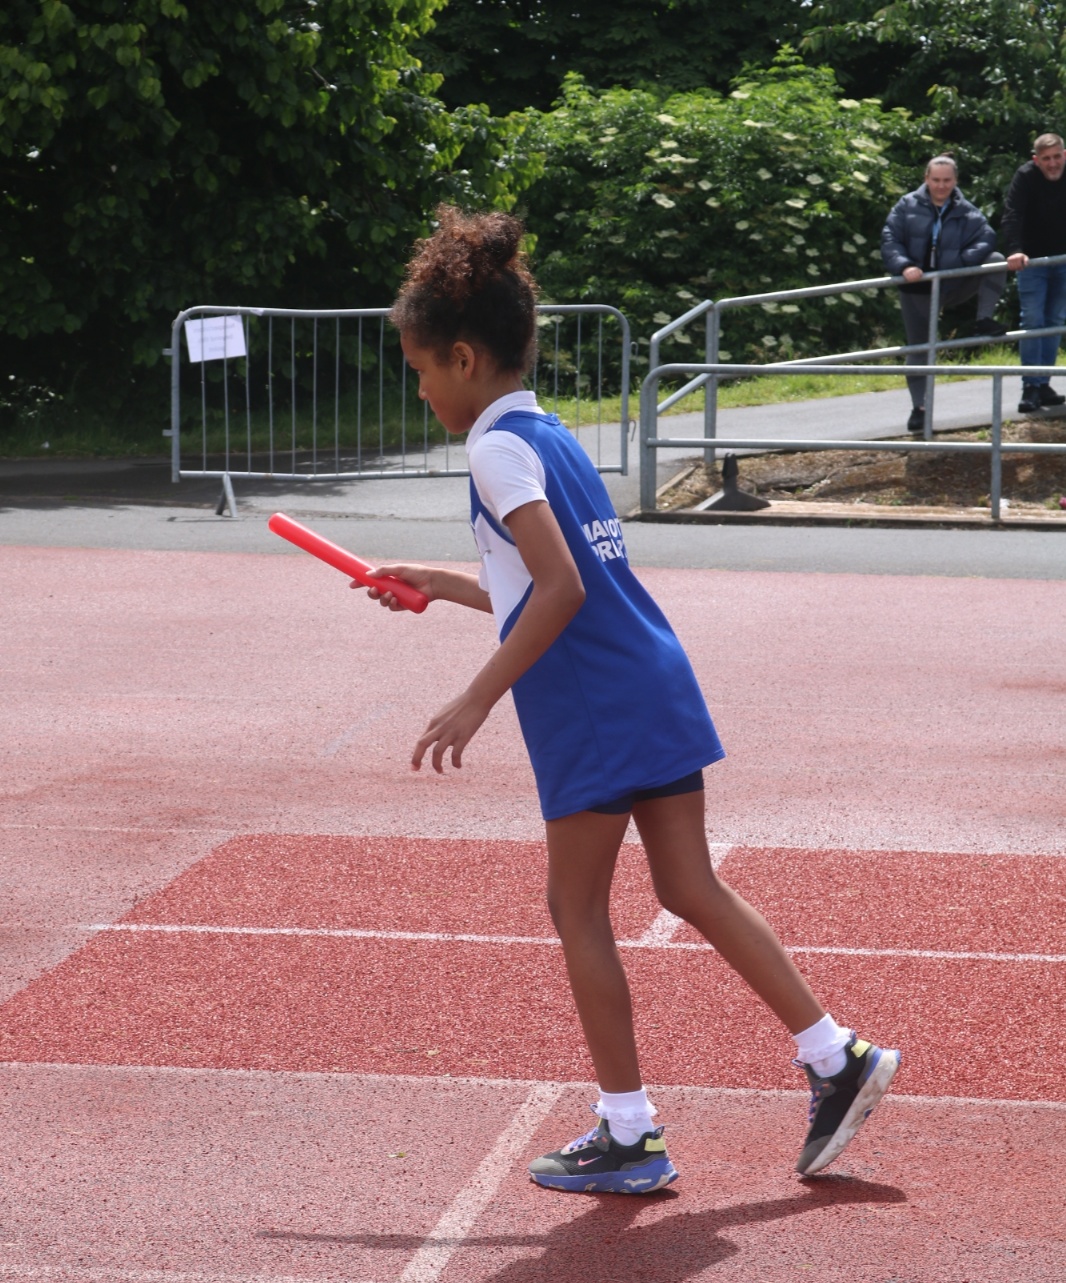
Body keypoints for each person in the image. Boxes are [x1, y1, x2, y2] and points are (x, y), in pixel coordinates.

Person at [364, 206, 899, 1194]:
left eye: (422, 369)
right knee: (689, 887)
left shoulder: (491, 450)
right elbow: (555, 582)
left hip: (592, 703)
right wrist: (441, 584)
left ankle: (628, 1133)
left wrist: (476, 697)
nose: (423, 387)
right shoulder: (550, 435)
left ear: (465, 358)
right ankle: (837, 1055)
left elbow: (561, 589)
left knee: (575, 906)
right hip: (647, 673)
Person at [881, 155, 1007, 432]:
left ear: (955, 180)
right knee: (919, 346)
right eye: (936, 180)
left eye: (947, 180)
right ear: (926, 179)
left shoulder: (966, 209)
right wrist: (905, 266)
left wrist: (961, 263)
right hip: (916, 286)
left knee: (997, 260)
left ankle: (984, 319)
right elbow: (890, 239)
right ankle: (919, 408)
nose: (941, 186)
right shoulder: (906, 205)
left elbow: (987, 237)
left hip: (951, 283)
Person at [1002, 133, 1066, 413]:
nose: (1053, 164)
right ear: (1036, 160)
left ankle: (1043, 383)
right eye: (1046, 158)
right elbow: (1012, 213)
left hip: (1063, 260)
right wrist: (1015, 250)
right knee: (1033, 320)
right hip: (1032, 262)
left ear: (1065, 155)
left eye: (1057, 157)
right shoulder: (1026, 176)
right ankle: (1030, 385)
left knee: (1054, 321)